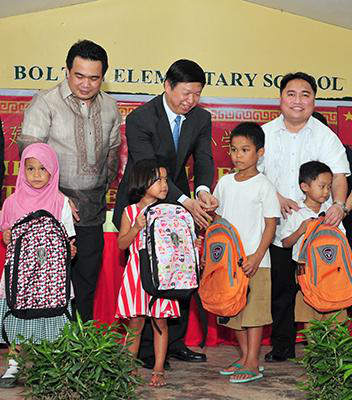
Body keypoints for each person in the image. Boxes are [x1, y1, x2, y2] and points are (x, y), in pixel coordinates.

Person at [113, 59, 218, 367]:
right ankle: (146, 351)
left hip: (179, 201)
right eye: (185, 93)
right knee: (148, 275)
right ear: (167, 86)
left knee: (181, 271)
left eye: (197, 94)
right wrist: (186, 201)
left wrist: (202, 192)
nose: (191, 101)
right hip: (144, 198)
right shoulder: (141, 119)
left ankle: (174, 343)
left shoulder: (200, 118)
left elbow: (204, 159)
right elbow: (147, 169)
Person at [18, 39, 121, 322]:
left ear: (103, 77)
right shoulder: (45, 103)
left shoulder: (111, 107)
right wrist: (60, 199)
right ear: (66, 70)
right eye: (79, 75)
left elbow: (111, 159)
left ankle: (81, 348)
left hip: (92, 211)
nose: (86, 84)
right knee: (49, 282)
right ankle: (48, 349)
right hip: (50, 211)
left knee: (86, 282)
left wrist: (96, 195)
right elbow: (30, 158)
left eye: (94, 78)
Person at [261, 72, 350, 362]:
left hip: (320, 227)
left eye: (305, 94)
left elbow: (339, 175)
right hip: (281, 228)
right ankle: (283, 347)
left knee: (324, 285)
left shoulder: (326, 136)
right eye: (291, 93)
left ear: (314, 99)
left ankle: (326, 349)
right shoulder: (265, 133)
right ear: (280, 98)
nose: (298, 101)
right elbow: (253, 176)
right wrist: (275, 197)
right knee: (282, 291)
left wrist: (338, 205)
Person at [0, 143, 76, 388]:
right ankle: (14, 365)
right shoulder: (12, 202)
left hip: (51, 275)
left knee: (51, 319)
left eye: (43, 169)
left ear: (53, 171)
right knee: (17, 319)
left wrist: (70, 248)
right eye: (30, 168)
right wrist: (8, 236)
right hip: (20, 275)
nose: (36, 175)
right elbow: (5, 235)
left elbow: (68, 237)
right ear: (22, 170)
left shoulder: (59, 202)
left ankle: (50, 365)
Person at [214, 122, 281, 383]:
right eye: (233, 150)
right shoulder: (225, 182)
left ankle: (253, 361)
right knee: (233, 312)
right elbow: (218, 221)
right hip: (229, 263)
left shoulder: (264, 185)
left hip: (256, 261)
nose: (237, 155)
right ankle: (243, 357)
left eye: (245, 150)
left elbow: (271, 225)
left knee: (253, 313)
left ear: (260, 153)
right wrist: (215, 255)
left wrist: (256, 256)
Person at [115, 159, 180, 387]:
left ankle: (159, 369)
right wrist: (136, 227)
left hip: (161, 275)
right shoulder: (130, 212)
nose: (164, 185)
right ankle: (128, 367)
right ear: (143, 183)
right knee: (136, 323)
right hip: (136, 275)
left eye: (165, 179)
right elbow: (122, 244)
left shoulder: (171, 211)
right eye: (158, 180)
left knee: (160, 322)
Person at [281, 161, 347, 328]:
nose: (326, 192)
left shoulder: (332, 212)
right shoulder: (296, 212)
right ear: (305, 186)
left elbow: (343, 242)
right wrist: (301, 229)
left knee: (336, 321)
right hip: (307, 276)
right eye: (322, 186)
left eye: (329, 187)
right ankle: (315, 354)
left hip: (333, 274)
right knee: (311, 323)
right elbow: (286, 243)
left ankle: (333, 354)